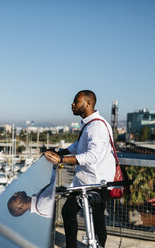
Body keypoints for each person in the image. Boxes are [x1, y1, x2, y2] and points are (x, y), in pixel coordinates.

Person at [44, 90, 116, 248]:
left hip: (96, 181)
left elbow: (92, 157)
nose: (72, 104)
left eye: (76, 102)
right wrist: (58, 153)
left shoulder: (97, 126)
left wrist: (61, 159)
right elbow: (78, 146)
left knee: (97, 219)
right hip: (84, 180)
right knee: (69, 212)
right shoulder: (89, 123)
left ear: (88, 103)